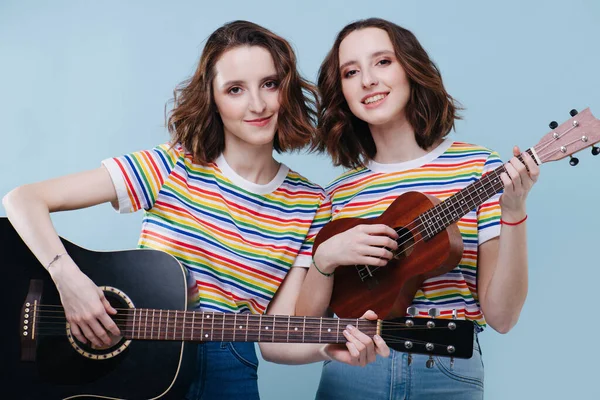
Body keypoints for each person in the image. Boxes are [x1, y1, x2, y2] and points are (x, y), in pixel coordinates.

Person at [2, 20, 388, 400]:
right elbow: (22, 199)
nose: (258, 104)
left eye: (270, 84)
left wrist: (326, 347)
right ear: (213, 100)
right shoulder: (172, 165)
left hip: (231, 365)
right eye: (235, 89)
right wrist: (71, 283)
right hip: (137, 358)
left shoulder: (312, 202)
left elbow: (275, 339)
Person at [296, 18, 539, 400]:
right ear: (341, 91)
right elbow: (302, 330)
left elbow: (503, 318)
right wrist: (326, 258)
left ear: (411, 69)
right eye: (351, 71)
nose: (368, 80)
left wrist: (514, 211)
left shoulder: (479, 170)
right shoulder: (337, 195)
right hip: (354, 372)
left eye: (383, 62)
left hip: (447, 370)